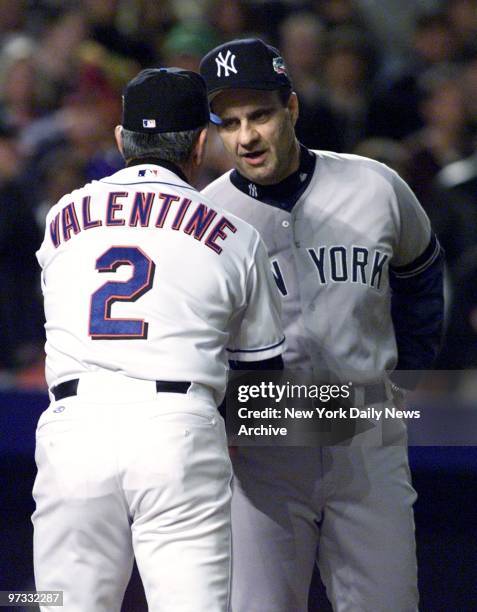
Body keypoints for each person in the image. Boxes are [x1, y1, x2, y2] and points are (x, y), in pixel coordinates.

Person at [200, 38, 444, 611]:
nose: (246, 137)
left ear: (292, 108)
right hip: (261, 441)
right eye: (229, 122)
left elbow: (422, 275)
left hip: (364, 429)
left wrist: (403, 378)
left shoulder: (374, 186)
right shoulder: (208, 216)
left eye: (259, 115)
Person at [32, 67, 285, 612]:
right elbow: (262, 373)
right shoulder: (236, 235)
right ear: (200, 143)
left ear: (122, 140)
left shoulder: (61, 216)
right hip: (178, 426)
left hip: (74, 426)